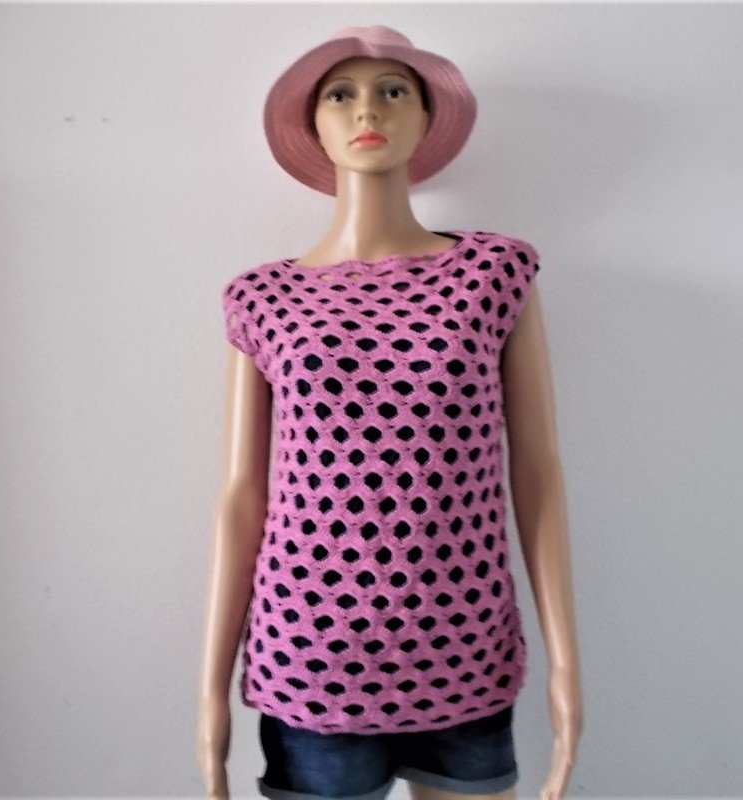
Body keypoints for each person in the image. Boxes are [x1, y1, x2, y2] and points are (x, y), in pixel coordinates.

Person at [199, 25, 582, 800]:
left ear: (426, 116)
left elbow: (536, 468)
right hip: (311, 662)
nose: (366, 110)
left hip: (463, 653)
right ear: (313, 125)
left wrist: (565, 663)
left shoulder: (491, 273)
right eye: (339, 94)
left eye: (392, 91)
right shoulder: (263, 297)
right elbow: (242, 493)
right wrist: (209, 689)